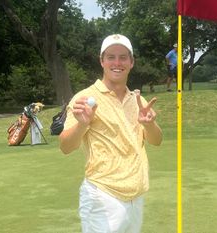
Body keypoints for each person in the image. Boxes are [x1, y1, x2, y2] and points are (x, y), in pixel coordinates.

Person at [59, 34, 163, 233]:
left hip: (137, 195)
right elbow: (65, 147)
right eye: (111, 57)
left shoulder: (138, 100)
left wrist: (149, 124)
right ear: (102, 61)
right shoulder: (84, 98)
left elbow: (156, 141)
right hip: (103, 195)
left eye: (123, 57)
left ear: (131, 62)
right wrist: (82, 124)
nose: (117, 63)